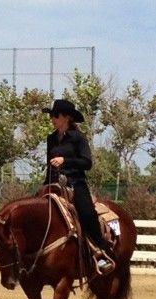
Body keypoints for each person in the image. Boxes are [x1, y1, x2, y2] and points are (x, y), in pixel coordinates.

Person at [42, 99, 113, 274]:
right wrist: (45, 186)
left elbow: (87, 163)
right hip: (53, 183)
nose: (52, 118)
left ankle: (101, 251)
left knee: (87, 213)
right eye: (52, 115)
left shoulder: (79, 138)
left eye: (56, 115)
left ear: (66, 117)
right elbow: (49, 164)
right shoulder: (51, 139)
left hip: (75, 182)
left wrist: (65, 160)